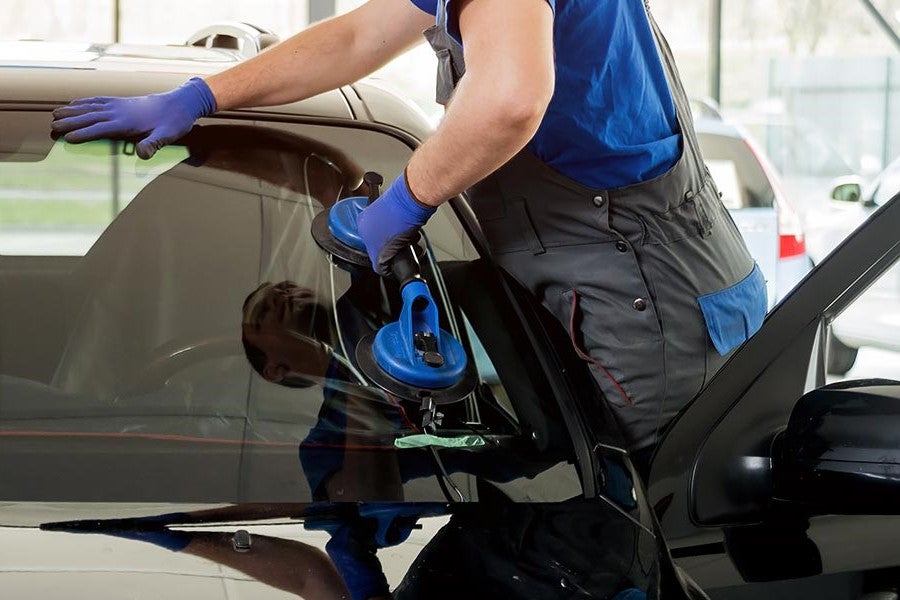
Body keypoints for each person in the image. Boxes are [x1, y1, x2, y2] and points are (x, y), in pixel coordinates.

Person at [51, 0, 767, 473]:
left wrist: (405, 202)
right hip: (623, 268)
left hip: (648, 301)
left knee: (644, 523)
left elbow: (513, 98)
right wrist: (204, 94)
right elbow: (361, 34)